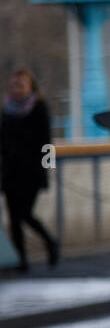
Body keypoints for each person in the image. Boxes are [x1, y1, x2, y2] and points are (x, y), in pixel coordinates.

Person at [1, 68, 59, 272]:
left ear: (30, 87)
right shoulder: (6, 110)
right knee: (13, 218)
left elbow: (47, 142)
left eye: (21, 85)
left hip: (32, 173)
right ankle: (21, 260)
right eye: (14, 86)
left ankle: (50, 242)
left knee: (25, 213)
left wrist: (47, 170)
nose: (17, 90)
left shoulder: (39, 108)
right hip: (10, 173)